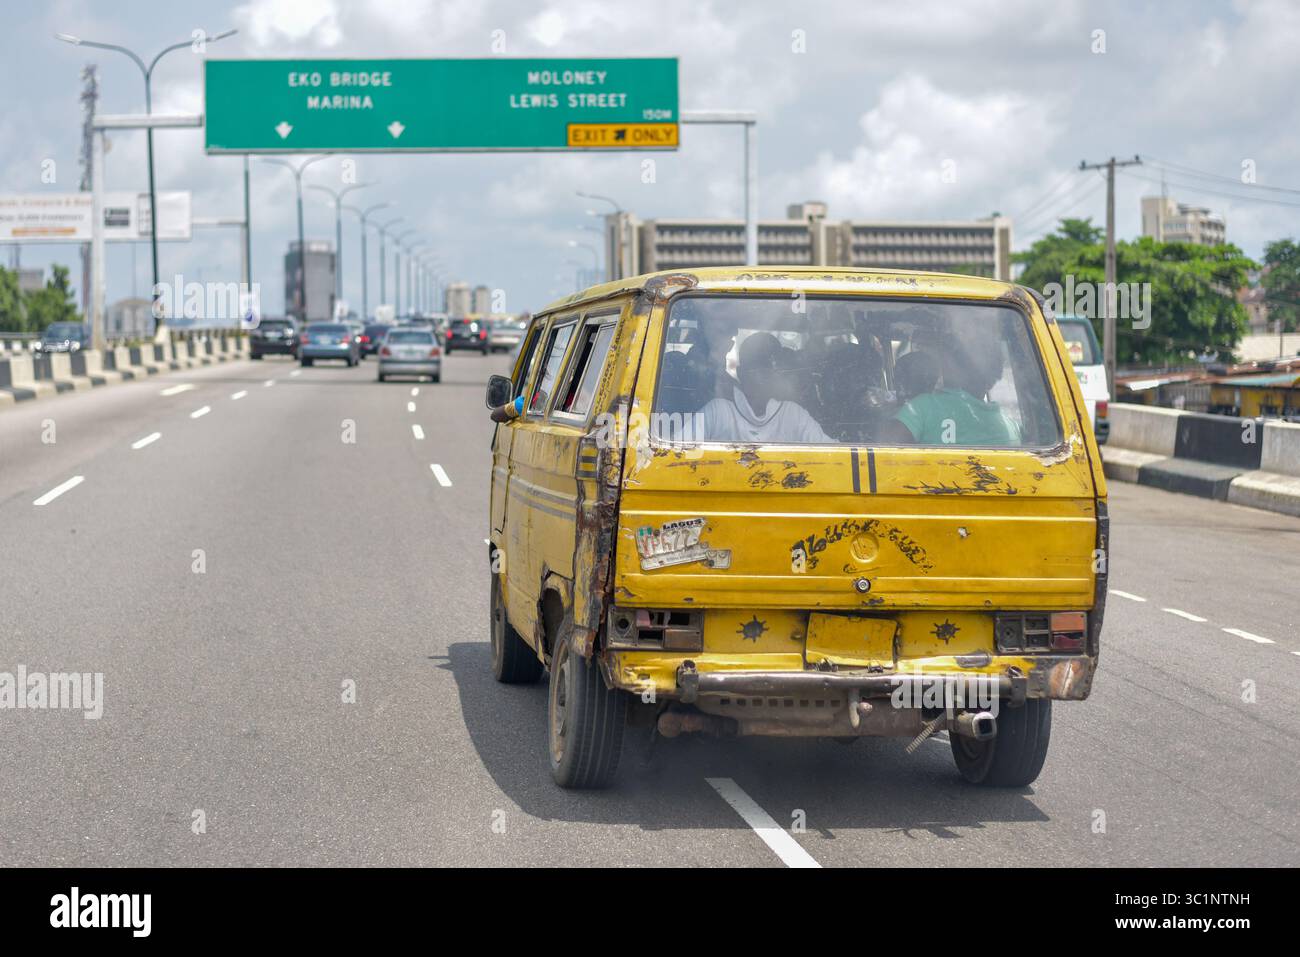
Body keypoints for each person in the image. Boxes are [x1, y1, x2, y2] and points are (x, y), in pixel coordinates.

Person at [880, 332, 1020, 446]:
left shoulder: (922, 409)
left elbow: (883, 454)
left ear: (951, 367)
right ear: (994, 377)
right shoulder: (1011, 426)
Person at [698, 332, 832, 443]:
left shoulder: (793, 415)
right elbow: (680, 451)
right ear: (741, 372)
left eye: (769, 369)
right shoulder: (718, 411)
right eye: (757, 368)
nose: (765, 376)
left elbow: (832, 453)